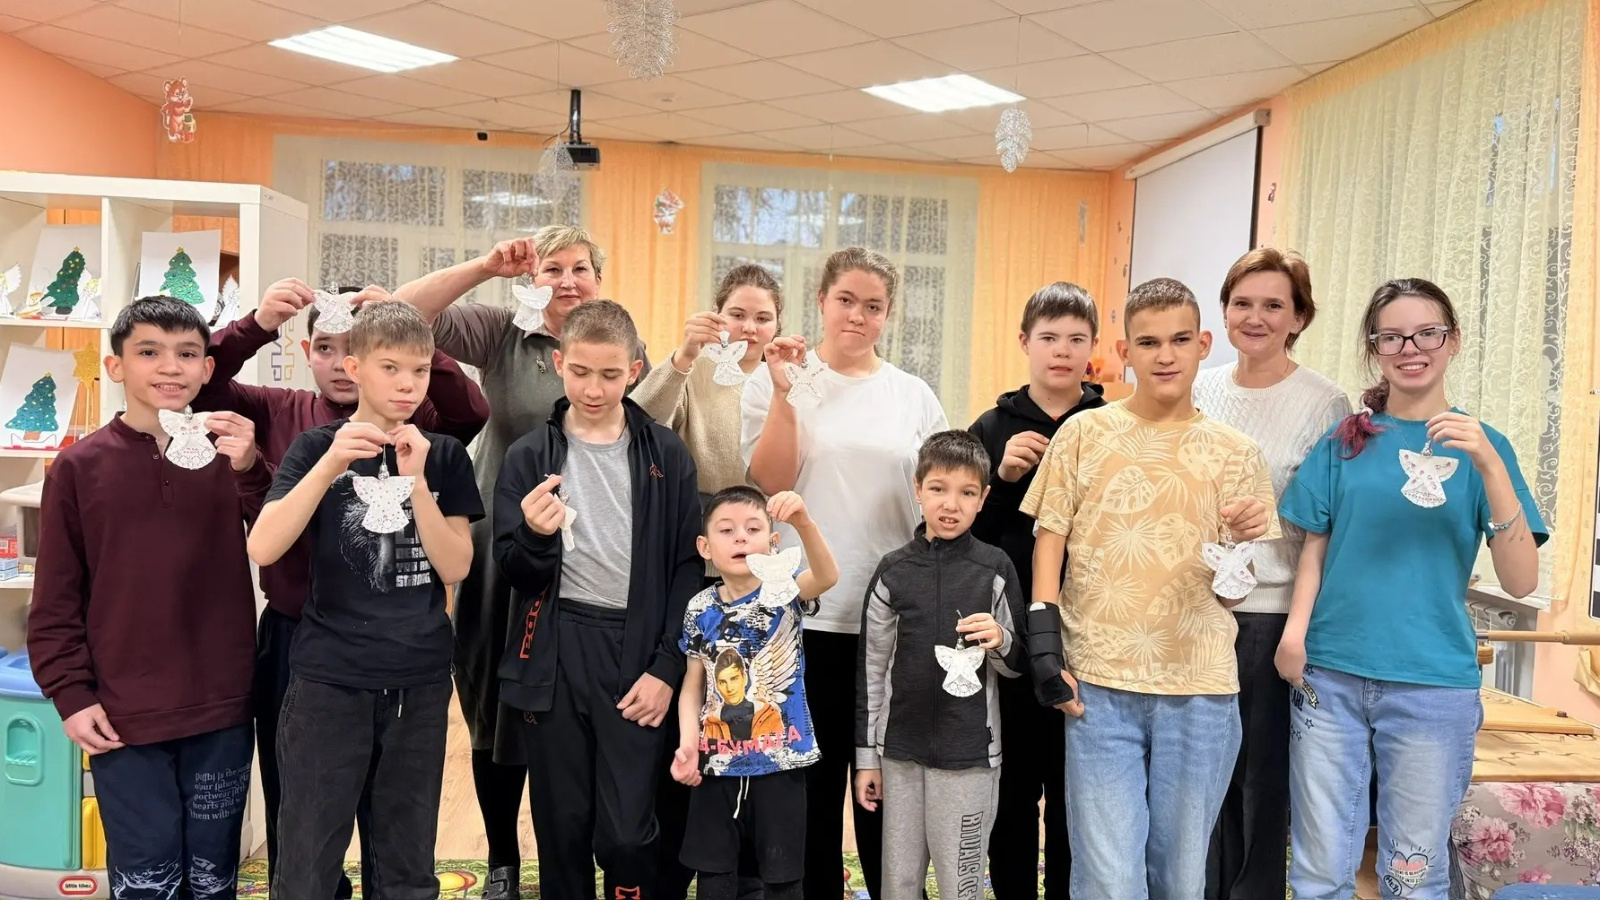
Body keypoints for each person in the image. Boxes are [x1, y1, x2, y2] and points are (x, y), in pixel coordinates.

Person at [190, 279, 488, 895]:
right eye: (390, 368)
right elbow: (263, 546)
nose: (407, 384)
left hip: (419, 678)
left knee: (406, 858)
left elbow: (456, 565)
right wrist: (330, 464)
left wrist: (417, 482)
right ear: (356, 368)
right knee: (307, 856)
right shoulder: (315, 446)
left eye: (418, 371)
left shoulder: (443, 454)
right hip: (329, 677)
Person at [395, 227, 651, 899]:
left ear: (599, 279)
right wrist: (486, 267)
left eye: (580, 268)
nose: (566, 280)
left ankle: (585, 856)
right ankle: (504, 861)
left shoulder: (619, 342)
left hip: (589, 556)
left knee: (575, 710)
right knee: (493, 708)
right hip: (500, 552)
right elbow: (401, 312)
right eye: (551, 269)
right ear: (531, 279)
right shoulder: (501, 332)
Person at [1276, 278, 1545, 900]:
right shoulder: (1348, 440)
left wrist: (1490, 466)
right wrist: (1294, 636)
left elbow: (1521, 579)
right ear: (1375, 349)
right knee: (1318, 871)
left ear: (1453, 341)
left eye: (1427, 333)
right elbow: (1315, 546)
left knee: (1413, 875)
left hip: (1433, 685)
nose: (1410, 348)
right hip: (1330, 677)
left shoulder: (1487, 448)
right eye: (1392, 337)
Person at [1022, 277, 1278, 899]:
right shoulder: (1083, 434)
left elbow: (1234, 594)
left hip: (1200, 689)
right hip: (1098, 684)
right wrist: (1045, 644)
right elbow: (1049, 540)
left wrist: (1242, 546)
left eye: (1180, 340)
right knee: (1107, 877)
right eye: (1148, 342)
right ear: (1124, 351)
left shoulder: (1238, 453)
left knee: (1181, 876)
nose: (1165, 355)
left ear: (1203, 345)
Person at [29, 297, 260, 898]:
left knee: (214, 875)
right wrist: (70, 694)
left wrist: (253, 470)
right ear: (116, 366)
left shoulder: (232, 457)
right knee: (145, 876)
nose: (170, 367)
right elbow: (55, 597)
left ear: (208, 369)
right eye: (149, 352)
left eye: (187, 353)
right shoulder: (77, 467)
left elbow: (282, 548)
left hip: (222, 706)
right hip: (121, 713)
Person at [741, 247, 949, 898]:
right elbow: (769, 480)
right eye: (846, 300)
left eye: (873, 306)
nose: (858, 315)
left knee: (886, 793)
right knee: (809, 792)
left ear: (890, 314)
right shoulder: (776, 380)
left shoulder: (912, 395)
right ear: (822, 301)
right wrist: (784, 393)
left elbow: (939, 500)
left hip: (890, 624)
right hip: (802, 617)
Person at [494, 300, 703, 900]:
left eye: (610, 375)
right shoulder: (529, 455)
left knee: (628, 835)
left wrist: (666, 667)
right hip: (556, 651)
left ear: (634, 371)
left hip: (638, 652)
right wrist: (534, 536)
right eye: (581, 372)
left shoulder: (666, 453)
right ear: (560, 363)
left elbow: (688, 568)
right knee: (562, 826)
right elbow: (514, 571)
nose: (593, 389)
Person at [1188, 249, 1351, 899]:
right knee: (1196, 778)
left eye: (1274, 305)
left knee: (1260, 780)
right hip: (1193, 611)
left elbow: (1326, 527)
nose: (1255, 317)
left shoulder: (1324, 402)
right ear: (1225, 311)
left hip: (1270, 616)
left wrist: (1301, 631)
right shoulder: (1198, 389)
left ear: (1299, 318)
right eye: (1242, 303)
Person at [968, 282, 1107, 898]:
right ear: (1025, 342)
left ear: (1093, 347)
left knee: (1078, 791)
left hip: (1091, 633)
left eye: (1076, 339)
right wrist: (1001, 478)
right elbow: (965, 533)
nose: (1062, 350)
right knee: (1014, 789)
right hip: (1011, 636)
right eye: (1049, 337)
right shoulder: (991, 426)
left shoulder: (1110, 424)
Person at [855, 431, 1027, 899]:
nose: (951, 504)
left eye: (967, 493)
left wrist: (1000, 639)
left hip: (969, 758)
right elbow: (872, 671)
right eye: (938, 488)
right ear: (918, 489)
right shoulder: (892, 571)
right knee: (898, 884)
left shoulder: (995, 568)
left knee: (960, 885)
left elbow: (1017, 665)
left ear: (983, 498)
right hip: (898, 755)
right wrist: (867, 760)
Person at [670, 486, 839, 900]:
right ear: (705, 547)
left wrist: (803, 522)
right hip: (717, 764)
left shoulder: (784, 593)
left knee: (783, 878)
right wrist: (688, 743)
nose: (740, 538)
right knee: (714, 876)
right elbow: (693, 685)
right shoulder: (699, 608)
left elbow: (827, 576)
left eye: (753, 528)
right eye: (726, 530)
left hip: (782, 762)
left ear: (773, 542)